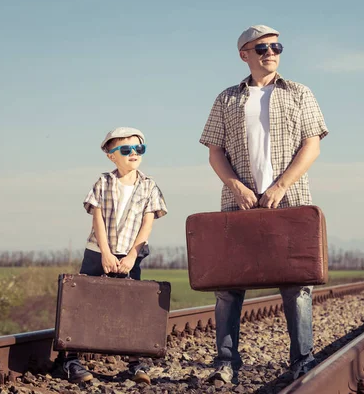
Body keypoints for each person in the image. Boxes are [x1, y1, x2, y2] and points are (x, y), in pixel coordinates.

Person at [199, 25, 329, 383]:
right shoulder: (227, 98)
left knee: (296, 284)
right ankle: (226, 364)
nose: (270, 52)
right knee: (228, 286)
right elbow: (215, 152)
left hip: (291, 201)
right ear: (244, 54)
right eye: (261, 48)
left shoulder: (300, 93)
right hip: (237, 203)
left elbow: (312, 145)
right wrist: (236, 186)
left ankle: (302, 361)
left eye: (276, 46)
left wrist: (281, 185)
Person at [54, 126, 168, 384]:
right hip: (99, 251)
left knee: (132, 307)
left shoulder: (149, 186)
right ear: (111, 155)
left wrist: (131, 256)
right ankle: (71, 360)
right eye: (126, 149)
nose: (133, 153)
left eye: (139, 148)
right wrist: (105, 253)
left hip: (131, 255)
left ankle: (134, 362)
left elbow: (147, 224)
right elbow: (97, 220)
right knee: (82, 302)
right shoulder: (103, 182)